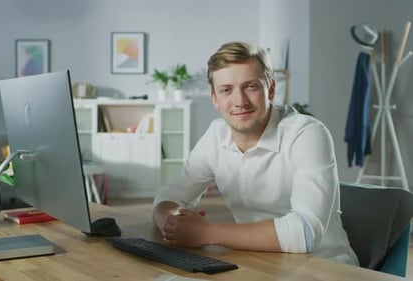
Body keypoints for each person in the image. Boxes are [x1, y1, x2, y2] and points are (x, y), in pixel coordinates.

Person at [152, 41, 359, 265]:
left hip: (326, 269)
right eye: (226, 90)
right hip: (260, 266)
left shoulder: (306, 134)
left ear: (270, 89)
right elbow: (168, 198)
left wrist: (206, 233)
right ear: (215, 98)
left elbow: (305, 233)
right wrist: (173, 225)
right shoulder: (216, 135)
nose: (239, 101)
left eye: (251, 86)